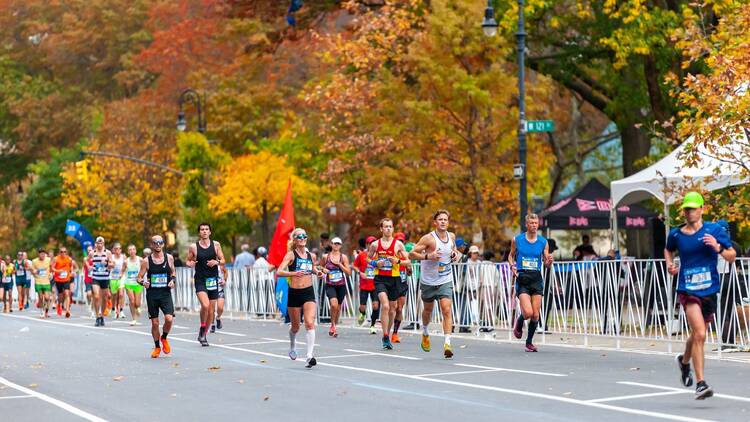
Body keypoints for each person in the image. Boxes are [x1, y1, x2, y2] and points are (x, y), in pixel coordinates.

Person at [665, 192, 736, 400]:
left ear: (702, 209)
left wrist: (718, 247)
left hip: (709, 290)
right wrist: (670, 264)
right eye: (687, 209)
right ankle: (701, 383)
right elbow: (668, 250)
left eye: (693, 208)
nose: (690, 212)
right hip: (687, 290)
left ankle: (684, 362)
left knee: (698, 334)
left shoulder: (714, 230)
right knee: (701, 335)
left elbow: (731, 256)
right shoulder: (676, 234)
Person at [408, 210, 462, 358]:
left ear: (448, 222)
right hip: (428, 281)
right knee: (428, 311)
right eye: (440, 219)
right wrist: (428, 256)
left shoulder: (451, 236)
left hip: (445, 279)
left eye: (445, 219)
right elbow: (411, 254)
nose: (443, 222)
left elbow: (454, 251)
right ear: (435, 222)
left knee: (446, 309)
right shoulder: (428, 239)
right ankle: (425, 331)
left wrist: (454, 254)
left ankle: (447, 343)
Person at [277, 228, 324, 368]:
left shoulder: (310, 255)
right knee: (296, 327)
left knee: (310, 323)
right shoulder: (291, 255)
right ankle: (292, 346)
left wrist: (318, 273)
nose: (302, 238)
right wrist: (293, 274)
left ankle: (309, 356)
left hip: (308, 292)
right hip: (294, 293)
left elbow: (312, 269)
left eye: (304, 236)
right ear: (295, 240)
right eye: (299, 236)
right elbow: (279, 271)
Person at [509, 214, 553, 352]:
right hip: (522, 277)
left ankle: (529, 342)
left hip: (536, 279)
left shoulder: (543, 242)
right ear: (526, 224)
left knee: (535, 315)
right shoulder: (517, 240)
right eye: (531, 223)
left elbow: (546, 263)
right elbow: (510, 256)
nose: (534, 225)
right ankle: (519, 322)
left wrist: (549, 262)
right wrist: (512, 266)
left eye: (536, 223)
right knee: (527, 313)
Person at [369, 218, 410, 350]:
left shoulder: (398, 245)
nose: (388, 229)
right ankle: (385, 336)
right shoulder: (375, 244)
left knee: (392, 309)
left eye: (390, 227)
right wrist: (376, 263)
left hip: (394, 279)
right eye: (386, 227)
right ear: (381, 229)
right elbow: (368, 258)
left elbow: (408, 262)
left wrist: (397, 261)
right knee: (385, 306)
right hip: (380, 278)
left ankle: (389, 332)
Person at [186, 223, 226, 347]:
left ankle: (203, 333)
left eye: (206, 229)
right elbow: (188, 260)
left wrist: (217, 262)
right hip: (200, 280)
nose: (204, 231)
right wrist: (190, 264)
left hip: (212, 280)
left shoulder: (216, 245)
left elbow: (223, 260)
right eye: (202, 229)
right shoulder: (194, 247)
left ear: (210, 232)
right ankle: (203, 326)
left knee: (211, 311)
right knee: (205, 304)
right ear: (199, 232)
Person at [137, 235, 175, 359]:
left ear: (163, 244)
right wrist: (143, 283)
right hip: (152, 295)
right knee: (155, 323)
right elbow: (139, 277)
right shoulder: (146, 261)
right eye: (155, 243)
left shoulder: (169, 258)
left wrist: (172, 281)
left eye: (160, 242)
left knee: (169, 319)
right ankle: (157, 347)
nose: (158, 245)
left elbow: (173, 272)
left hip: (165, 294)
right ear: (152, 245)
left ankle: (164, 337)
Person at [321, 237, 352, 338]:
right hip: (330, 285)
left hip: (341, 285)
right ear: (331, 244)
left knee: (338, 308)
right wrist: (323, 270)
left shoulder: (344, 257)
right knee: (333, 305)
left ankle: (334, 324)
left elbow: (349, 273)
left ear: (341, 246)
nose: (336, 245)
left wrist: (340, 265)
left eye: (338, 244)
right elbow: (320, 267)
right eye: (335, 243)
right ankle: (333, 325)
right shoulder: (326, 257)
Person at [353, 236, 379, 334]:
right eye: (370, 243)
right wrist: (360, 273)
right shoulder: (362, 255)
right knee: (362, 307)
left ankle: (372, 325)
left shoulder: (378, 255)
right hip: (364, 285)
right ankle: (363, 313)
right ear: (367, 245)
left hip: (375, 285)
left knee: (376, 306)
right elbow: (354, 266)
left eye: (374, 243)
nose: (372, 245)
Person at [390, 232, 412, 343]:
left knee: (399, 308)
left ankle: (395, 333)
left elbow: (410, 272)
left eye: (402, 241)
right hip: (392, 282)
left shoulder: (405, 255)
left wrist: (409, 269)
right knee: (392, 308)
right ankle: (387, 328)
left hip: (402, 283)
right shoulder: (391, 254)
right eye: (398, 241)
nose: (400, 243)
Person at [91, 236, 113, 326]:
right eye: (98, 243)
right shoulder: (92, 253)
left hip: (105, 278)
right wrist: (89, 267)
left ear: (103, 244)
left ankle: (102, 317)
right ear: (96, 243)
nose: (99, 244)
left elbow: (112, 264)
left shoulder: (107, 253)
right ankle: (97, 317)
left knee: (104, 298)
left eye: (101, 243)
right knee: (96, 296)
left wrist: (107, 263)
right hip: (95, 278)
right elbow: (86, 260)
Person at [51, 247, 77, 318]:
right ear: (59, 252)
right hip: (58, 280)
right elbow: (52, 268)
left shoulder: (69, 259)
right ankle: (59, 304)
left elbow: (71, 268)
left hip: (66, 279)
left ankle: (67, 310)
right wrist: (58, 271)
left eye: (65, 252)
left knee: (67, 293)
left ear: (66, 252)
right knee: (60, 295)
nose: (63, 253)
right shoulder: (56, 259)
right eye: (61, 252)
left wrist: (72, 272)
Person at [123, 244, 143, 326]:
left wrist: (142, 277)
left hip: (137, 283)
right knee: (131, 300)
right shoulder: (126, 261)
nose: (132, 251)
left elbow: (144, 269)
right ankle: (134, 319)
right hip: (128, 283)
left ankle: (138, 307)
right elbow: (122, 270)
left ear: (135, 251)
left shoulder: (140, 260)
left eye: (133, 249)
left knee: (137, 303)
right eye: (130, 250)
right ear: (128, 252)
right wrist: (120, 277)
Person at [31, 249, 52, 318]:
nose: (42, 255)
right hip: (38, 281)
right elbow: (32, 270)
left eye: (43, 254)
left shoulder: (48, 260)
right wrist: (34, 272)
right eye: (41, 254)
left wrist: (51, 273)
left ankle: (46, 311)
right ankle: (42, 312)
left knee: (47, 298)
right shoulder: (34, 261)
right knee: (40, 297)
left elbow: (51, 267)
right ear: (38, 254)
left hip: (46, 282)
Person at [109, 243, 126, 319]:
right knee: (114, 295)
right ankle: (113, 308)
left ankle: (121, 310)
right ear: (113, 250)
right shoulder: (111, 257)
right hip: (112, 278)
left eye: (119, 248)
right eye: (116, 249)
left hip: (121, 277)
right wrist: (112, 265)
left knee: (121, 294)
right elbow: (108, 266)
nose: (117, 250)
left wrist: (122, 274)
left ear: (121, 250)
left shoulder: (123, 257)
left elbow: (125, 266)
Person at [211, 264, 228, 333]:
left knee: (220, 308)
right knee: (211, 310)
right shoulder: (207, 265)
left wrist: (224, 280)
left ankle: (218, 318)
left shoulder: (220, 265)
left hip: (220, 290)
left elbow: (226, 272)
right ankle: (212, 324)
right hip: (211, 290)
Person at [83, 246, 95, 317]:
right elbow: (87, 267)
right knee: (89, 294)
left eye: (90, 250)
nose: (89, 252)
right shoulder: (85, 259)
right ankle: (89, 303)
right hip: (87, 279)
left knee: (94, 295)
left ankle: (93, 311)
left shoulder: (95, 258)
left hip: (94, 279)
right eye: (88, 250)